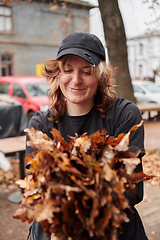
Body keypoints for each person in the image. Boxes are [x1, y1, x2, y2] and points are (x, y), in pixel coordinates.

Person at [26, 32, 148, 240]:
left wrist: (69, 186)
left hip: (115, 230)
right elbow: (36, 194)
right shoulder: (41, 125)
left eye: (86, 71)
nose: (76, 80)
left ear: (100, 75)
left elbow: (132, 190)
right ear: (58, 73)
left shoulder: (124, 115)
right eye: (68, 69)